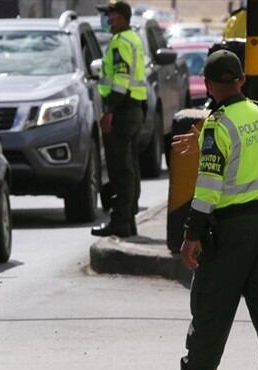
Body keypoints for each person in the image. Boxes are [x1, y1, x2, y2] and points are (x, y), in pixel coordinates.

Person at [145, 50, 258, 370]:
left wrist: (190, 236)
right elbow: (245, 153)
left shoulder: (217, 126)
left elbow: (210, 186)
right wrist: (206, 139)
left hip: (232, 232)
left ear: (209, 85)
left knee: (210, 316)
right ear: (241, 81)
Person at [91, 1, 147, 238]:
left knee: (120, 170)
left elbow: (121, 79)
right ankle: (128, 218)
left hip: (122, 111)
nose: (107, 20)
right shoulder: (132, 38)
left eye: (110, 15)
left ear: (122, 18)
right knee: (130, 168)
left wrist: (109, 111)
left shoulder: (121, 42)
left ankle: (121, 221)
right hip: (133, 110)